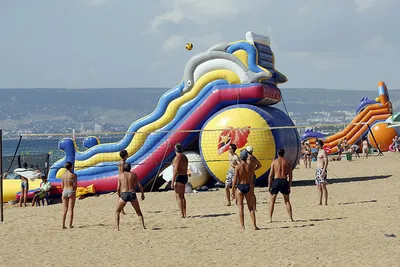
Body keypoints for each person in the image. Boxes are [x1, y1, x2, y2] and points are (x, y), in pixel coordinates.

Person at [232, 150, 259, 230]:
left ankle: (242, 226)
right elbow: (251, 178)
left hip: (240, 187)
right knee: (251, 208)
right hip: (247, 186)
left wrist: (233, 190)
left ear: (240, 157)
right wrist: (250, 187)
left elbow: (235, 179)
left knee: (240, 207)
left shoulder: (237, 167)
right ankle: (254, 226)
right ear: (247, 157)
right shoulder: (250, 167)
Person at [115, 163, 145, 231]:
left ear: (124, 168)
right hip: (132, 193)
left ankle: (117, 228)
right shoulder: (133, 175)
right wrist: (142, 194)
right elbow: (140, 186)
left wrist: (119, 195)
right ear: (130, 168)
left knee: (117, 211)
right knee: (138, 212)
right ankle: (143, 227)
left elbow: (118, 188)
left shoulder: (121, 176)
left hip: (124, 194)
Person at [268, 148, 294, 222]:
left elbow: (270, 175)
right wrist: (289, 185)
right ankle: (290, 218)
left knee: (272, 201)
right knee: (287, 201)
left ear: (277, 153)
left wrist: (269, 186)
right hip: (284, 180)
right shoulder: (287, 162)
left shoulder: (274, 162)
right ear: (284, 153)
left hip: (276, 180)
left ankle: (270, 218)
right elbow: (291, 176)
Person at [171, 143, 189, 218]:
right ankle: (184, 213)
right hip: (185, 176)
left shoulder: (177, 157)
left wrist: (172, 181)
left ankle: (181, 214)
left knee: (178, 197)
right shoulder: (185, 157)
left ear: (175, 149)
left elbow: (175, 170)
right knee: (182, 196)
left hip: (179, 177)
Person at [61, 161, 77, 229]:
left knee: (65, 209)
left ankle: (63, 225)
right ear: (71, 167)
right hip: (71, 190)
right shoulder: (73, 175)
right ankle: (70, 224)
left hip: (64, 191)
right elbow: (75, 185)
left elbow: (62, 185)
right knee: (71, 209)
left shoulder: (63, 175)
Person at [246, 146, 262, 212]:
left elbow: (247, 168)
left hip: (248, 176)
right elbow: (260, 165)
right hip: (253, 175)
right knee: (252, 193)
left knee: (247, 193)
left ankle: (251, 207)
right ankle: (254, 208)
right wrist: (254, 169)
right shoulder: (254, 158)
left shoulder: (248, 158)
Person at [315, 140, 328, 206]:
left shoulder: (323, 152)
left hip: (322, 169)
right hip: (318, 170)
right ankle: (320, 201)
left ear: (320, 145)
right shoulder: (318, 152)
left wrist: (324, 170)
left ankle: (325, 202)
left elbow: (326, 161)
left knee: (323, 186)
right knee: (318, 186)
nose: (316, 146)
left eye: (317, 144)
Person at [118, 149, 129, 215]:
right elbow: (122, 172)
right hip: (122, 179)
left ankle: (121, 210)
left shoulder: (122, 161)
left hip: (121, 178)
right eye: (127, 154)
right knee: (121, 195)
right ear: (125, 156)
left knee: (121, 194)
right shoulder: (122, 162)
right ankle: (121, 210)